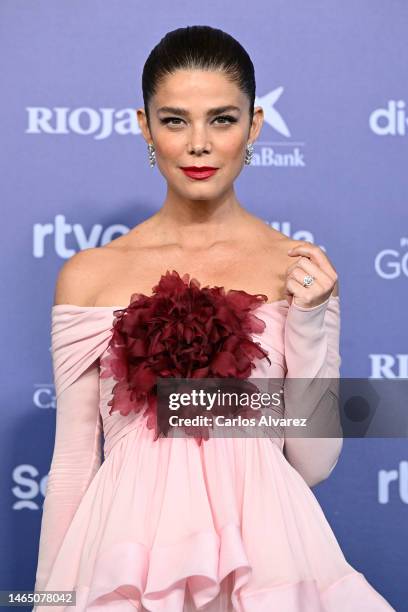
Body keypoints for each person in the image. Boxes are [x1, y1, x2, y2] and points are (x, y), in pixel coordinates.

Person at [33, 25, 395, 611]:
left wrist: (306, 320)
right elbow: (74, 458)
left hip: (267, 559)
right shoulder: (90, 276)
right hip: (127, 564)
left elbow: (314, 462)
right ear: (144, 127)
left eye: (222, 120)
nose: (198, 144)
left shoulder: (299, 269)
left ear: (253, 126)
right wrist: (49, 600)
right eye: (175, 120)